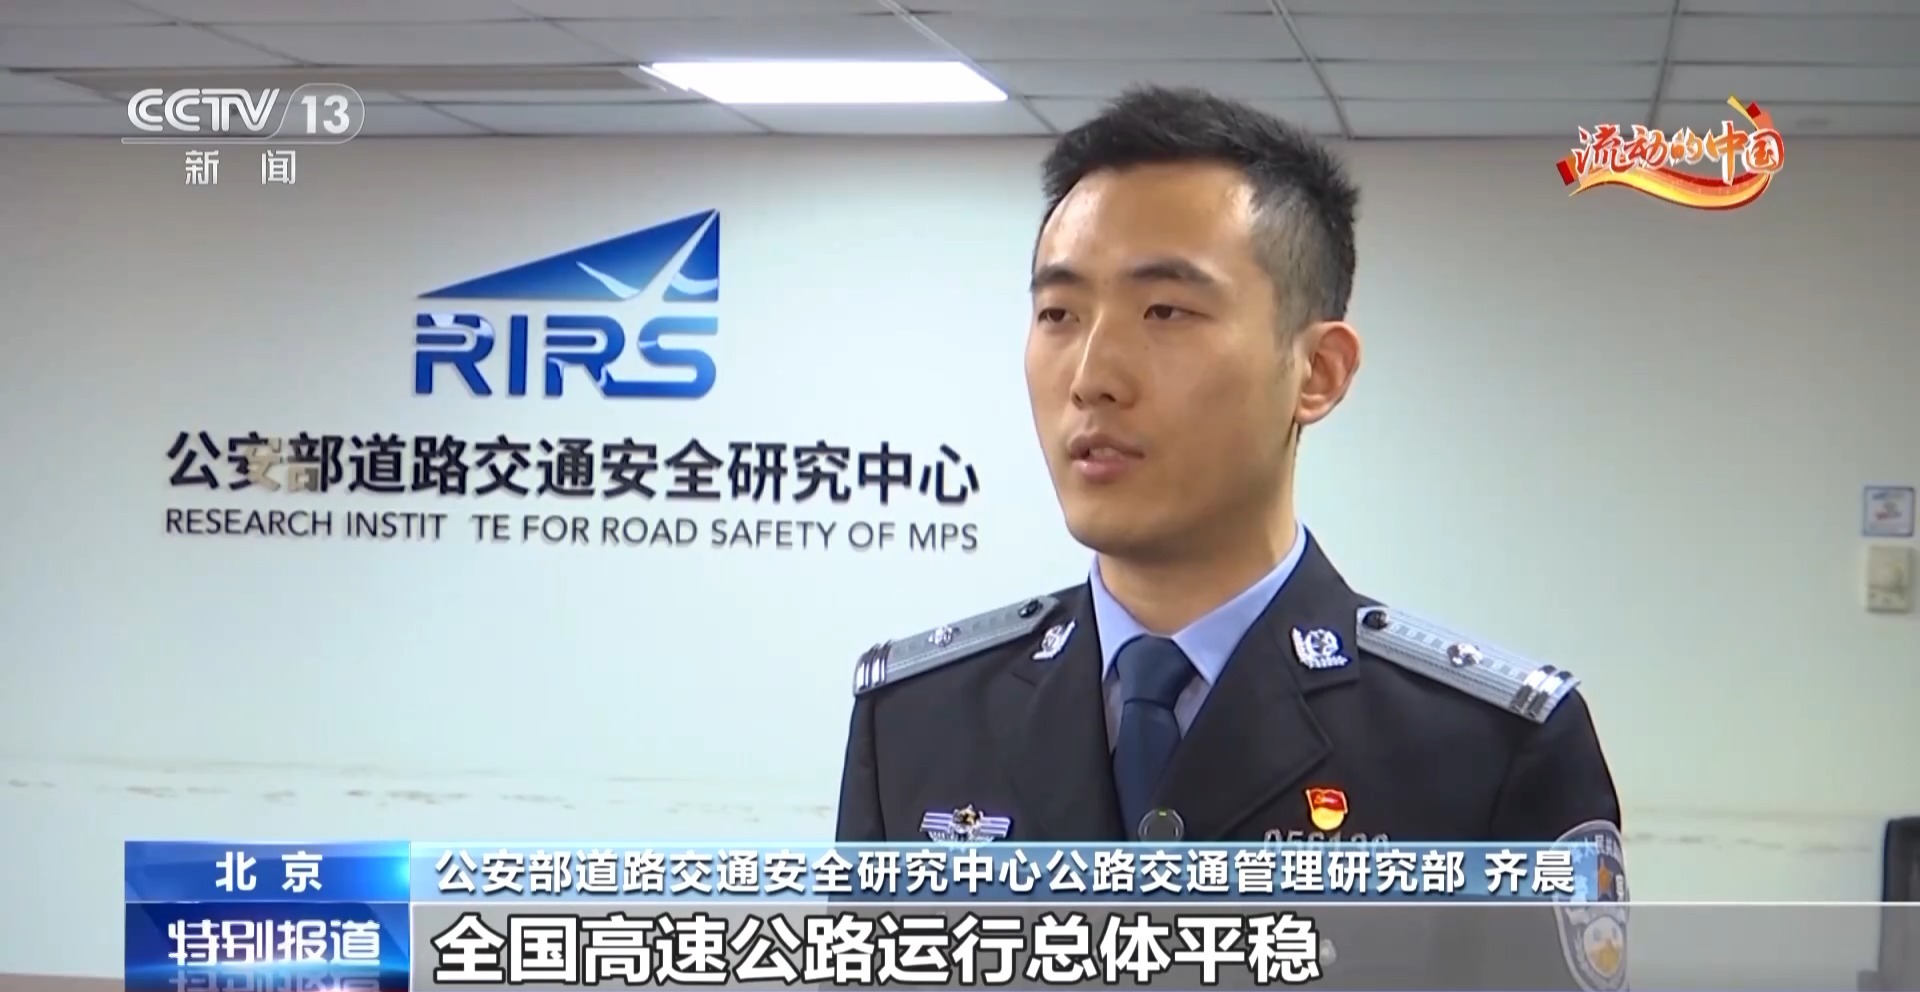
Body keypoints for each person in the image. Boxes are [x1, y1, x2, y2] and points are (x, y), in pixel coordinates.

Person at [834, 86, 1627, 991]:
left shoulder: (1486, 747)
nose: (1092, 377)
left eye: (1165, 312)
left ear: (1317, 372)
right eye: (1059, 315)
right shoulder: (918, 720)